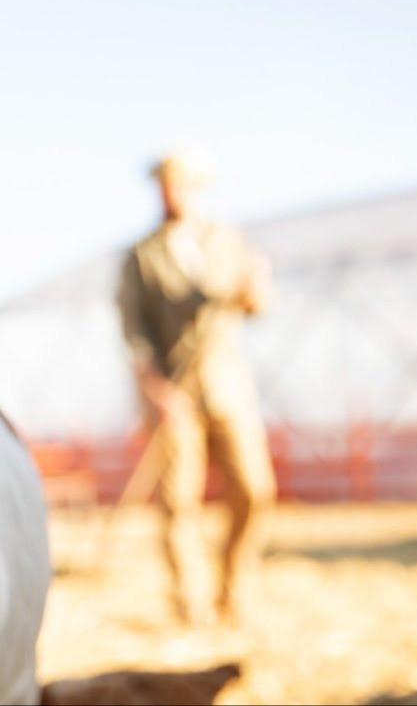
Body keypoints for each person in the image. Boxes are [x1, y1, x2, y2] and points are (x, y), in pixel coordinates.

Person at [115, 150, 277, 627]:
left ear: (197, 188)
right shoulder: (141, 256)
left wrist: (255, 290)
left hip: (227, 386)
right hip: (172, 395)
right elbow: (134, 330)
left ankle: (235, 589)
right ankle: (191, 604)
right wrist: (155, 388)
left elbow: (256, 304)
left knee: (254, 490)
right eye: (165, 183)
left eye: (181, 183)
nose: (173, 191)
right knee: (178, 502)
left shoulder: (228, 241)